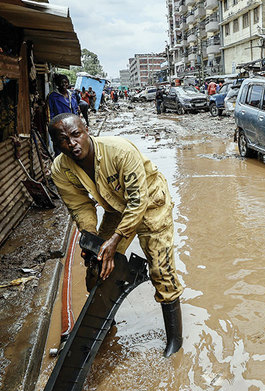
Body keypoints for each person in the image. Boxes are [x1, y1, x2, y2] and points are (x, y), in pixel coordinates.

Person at [48, 113, 184, 357]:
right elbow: (80, 206)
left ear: (86, 130)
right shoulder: (60, 169)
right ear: (56, 145)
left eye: (76, 135)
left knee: (161, 269)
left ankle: (175, 340)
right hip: (116, 208)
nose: (72, 143)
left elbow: (138, 201)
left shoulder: (120, 151)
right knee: (97, 266)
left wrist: (116, 239)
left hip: (151, 203)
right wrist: (91, 240)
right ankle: (105, 326)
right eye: (63, 140)